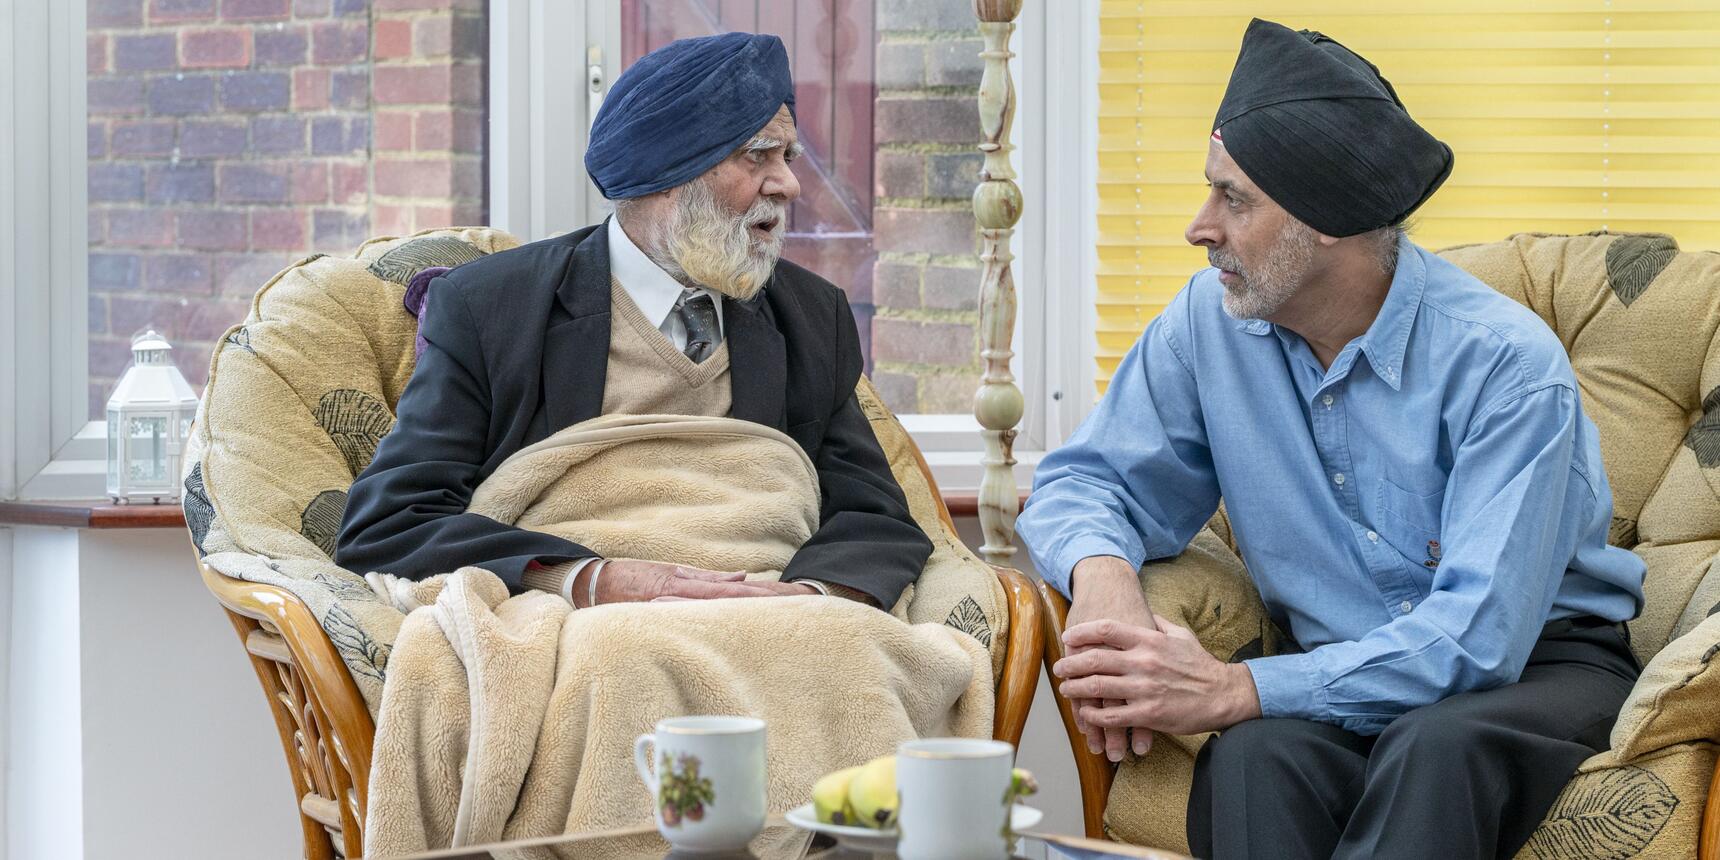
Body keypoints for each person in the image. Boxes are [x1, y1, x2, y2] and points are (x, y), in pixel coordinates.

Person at [1017, 18, 1645, 860]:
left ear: (1330, 220)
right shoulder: (1207, 325)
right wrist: (1103, 584)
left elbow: (1477, 640)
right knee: (1252, 757)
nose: (1200, 227)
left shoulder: (1506, 365)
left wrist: (1239, 685)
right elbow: (1087, 483)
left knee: (1435, 749)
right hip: (1344, 666)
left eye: (1234, 199)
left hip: (1539, 668)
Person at [336, 32, 931, 610]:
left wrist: (808, 600)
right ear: (669, 174)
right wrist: (593, 579)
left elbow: (874, 514)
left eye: (788, 156)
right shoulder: (491, 306)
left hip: (767, 611)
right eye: (758, 156)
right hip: (584, 620)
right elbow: (391, 522)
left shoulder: (811, 314)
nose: (791, 184)